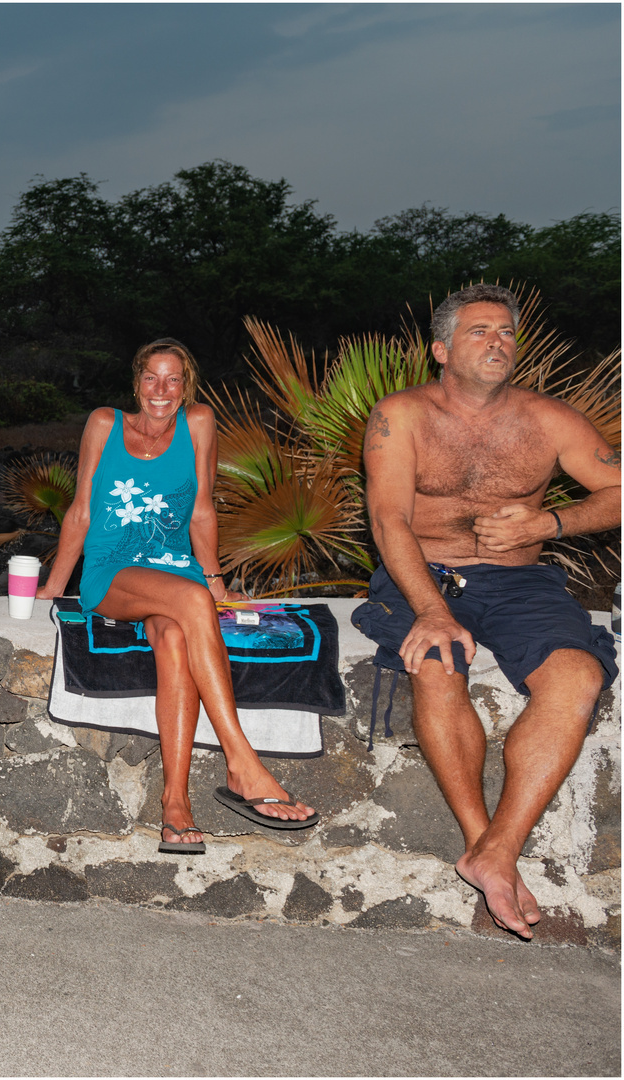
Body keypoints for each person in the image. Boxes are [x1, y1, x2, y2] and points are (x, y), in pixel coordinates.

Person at [356, 283, 619, 938]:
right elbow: (387, 518)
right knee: (437, 662)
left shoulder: (547, 420)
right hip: (422, 571)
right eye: (479, 331)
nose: (496, 340)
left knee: (576, 678)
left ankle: (494, 852)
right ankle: (486, 846)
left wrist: (550, 520)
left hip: (518, 581)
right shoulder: (401, 415)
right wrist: (428, 609)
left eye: (504, 331)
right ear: (440, 349)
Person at [38, 339, 317, 856]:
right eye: (151, 378)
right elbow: (79, 511)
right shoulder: (105, 423)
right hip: (111, 571)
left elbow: (202, 511)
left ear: (186, 385)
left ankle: (174, 803)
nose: (161, 390)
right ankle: (242, 762)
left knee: (173, 640)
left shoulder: (199, 423)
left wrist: (215, 581)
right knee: (192, 604)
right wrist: (52, 590)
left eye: (173, 380)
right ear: (137, 381)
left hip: (175, 571)